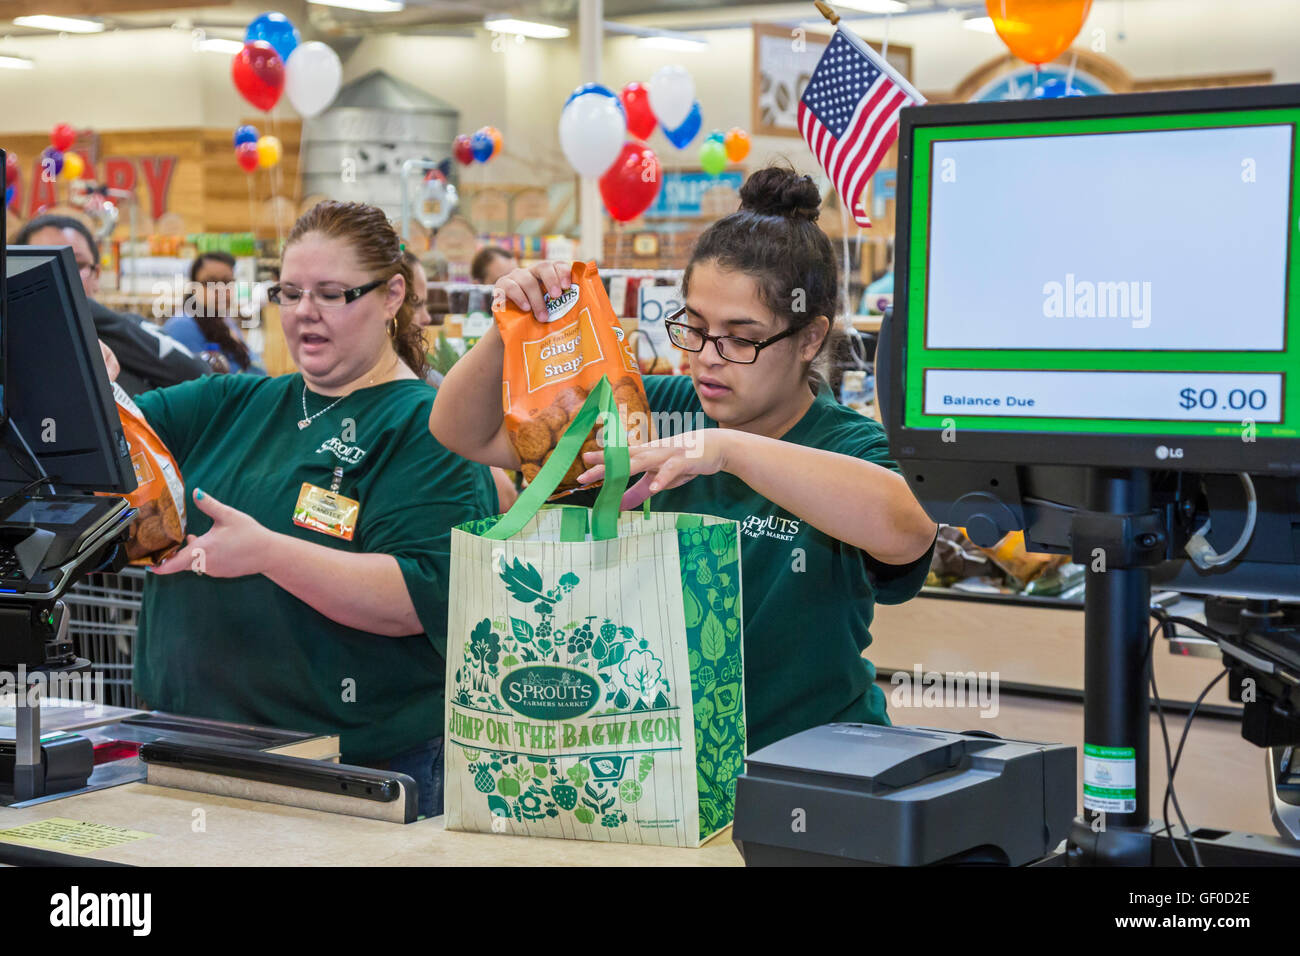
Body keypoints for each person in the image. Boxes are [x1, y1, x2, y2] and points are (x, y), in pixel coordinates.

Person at [430, 166, 939, 754]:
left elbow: (907, 526)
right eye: (693, 328)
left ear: (809, 338)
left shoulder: (848, 445)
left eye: (740, 337)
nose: (706, 360)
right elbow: (465, 432)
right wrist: (509, 326)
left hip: (814, 769)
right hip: (665, 772)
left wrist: (729, 451)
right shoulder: (657, 409)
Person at [118, 201, 499, 818]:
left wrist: (268, 553)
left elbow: (423, 595)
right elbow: (113, 439)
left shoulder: (426, 428)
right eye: (289, 292)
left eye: (331, 293)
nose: (304, 312)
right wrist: (92, 382)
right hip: (186, 755)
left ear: (391, 295)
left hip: (355, 778)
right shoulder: (232, 402)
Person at [14, 214, 209, 395]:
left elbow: (199, 376)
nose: (63, 275)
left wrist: (84, 310)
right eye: (45, 264)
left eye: (77, 265)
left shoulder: (130, 326)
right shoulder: (13, 342)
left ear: (96, 275)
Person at [163, 251, 265, 374]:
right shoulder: (182, 327)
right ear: (194, 288)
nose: (220, 290)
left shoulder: (225, 321)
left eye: (227, 282)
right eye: (210, 283)